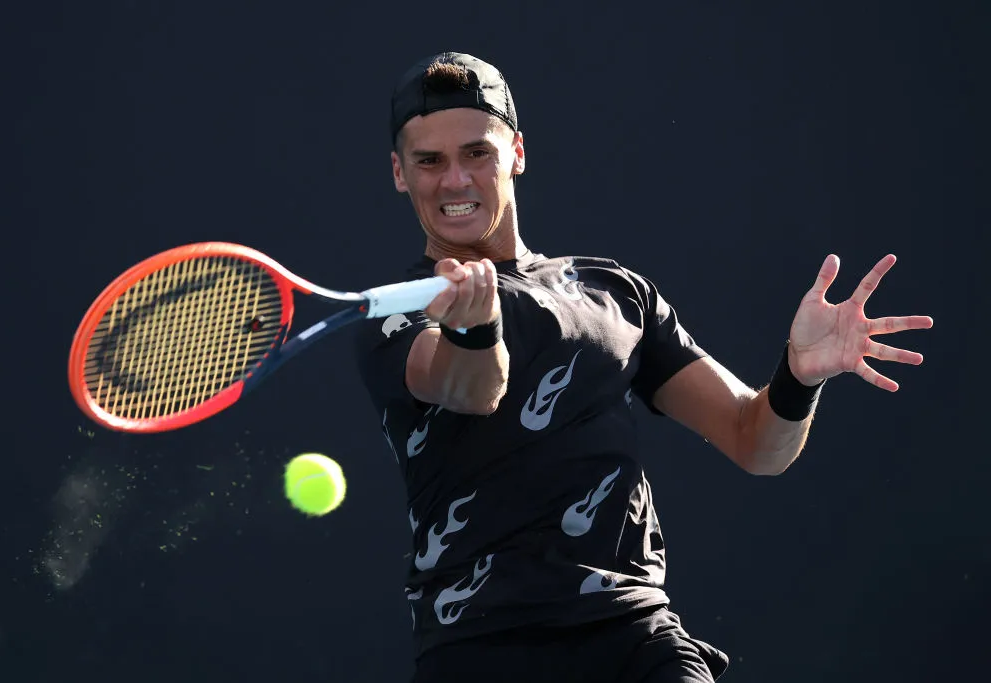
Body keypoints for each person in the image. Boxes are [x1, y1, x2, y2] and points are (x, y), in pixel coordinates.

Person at [353, 52, 933, 683]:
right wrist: (476, 325)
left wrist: (798, 376)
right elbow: (472, 388)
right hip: (479, 647)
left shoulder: (616, 291)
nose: (454, 180)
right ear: (399, 174)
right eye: (429, 162)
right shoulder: (396, 314)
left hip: (633, 638)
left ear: (516, 151)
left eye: (477, 154)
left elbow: (755, 441)